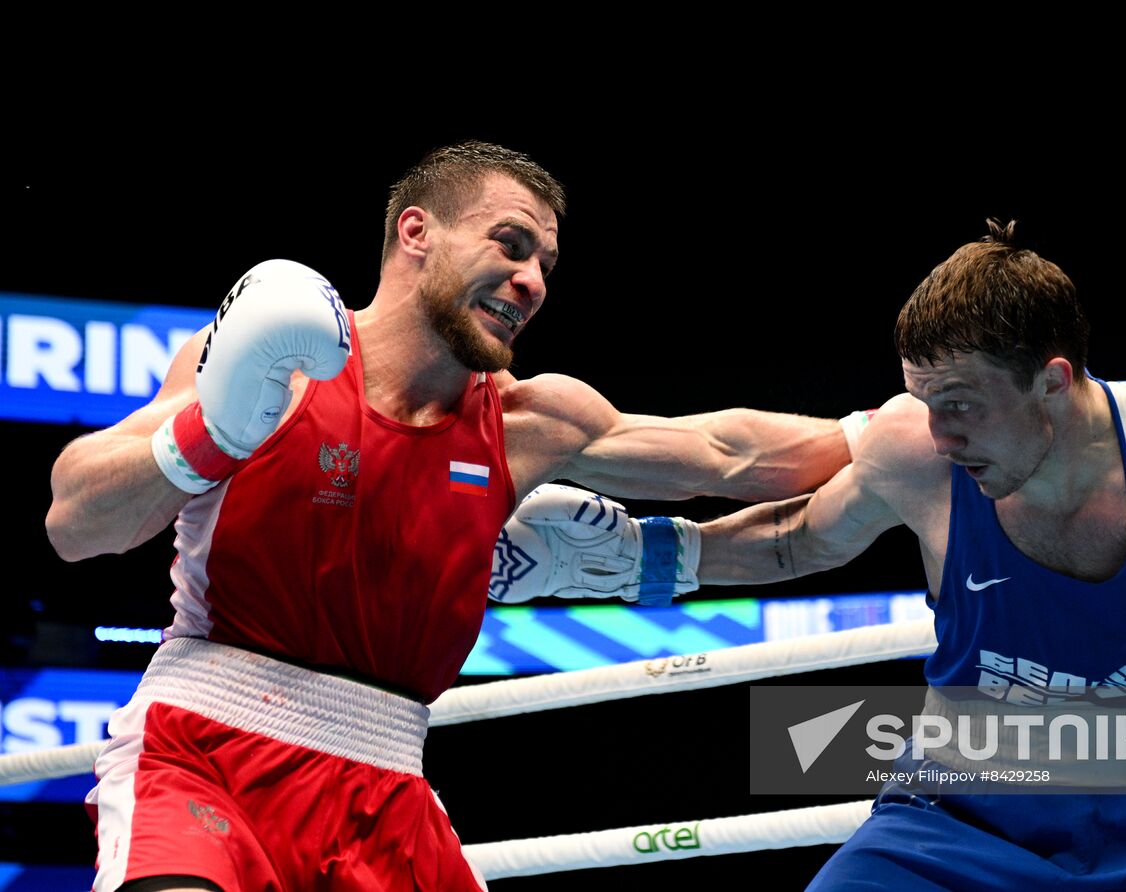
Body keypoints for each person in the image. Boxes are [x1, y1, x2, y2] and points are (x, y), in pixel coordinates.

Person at [44, 141, 854, 892]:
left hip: (387, 785)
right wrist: (211, 432)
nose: (533, 279)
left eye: (544, 263)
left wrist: (886, 433)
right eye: (510, 243)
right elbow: (74, 523)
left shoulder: (530, 422)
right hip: (203, 754)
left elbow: (723, 452)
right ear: (416, 231)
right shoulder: (282, 361)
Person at [511, 220, 1126, 889]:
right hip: (960, 820)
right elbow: (791, 545)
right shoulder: (918, 453)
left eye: (958, 404)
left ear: (1053, 381)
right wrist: (635, 558)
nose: (936, 433)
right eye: (923, 400)